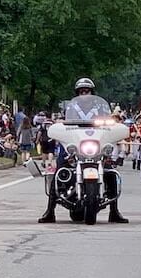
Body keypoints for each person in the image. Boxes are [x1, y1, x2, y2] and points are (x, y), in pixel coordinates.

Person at [38, 77, 128, 224]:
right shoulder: (71, 108)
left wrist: (113, 128)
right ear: (77, 93)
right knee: (59, 170)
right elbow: (63, 122)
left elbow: (109, 124)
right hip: (74, 146)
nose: (84, 93)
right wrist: (59, 126)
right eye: (81, 91)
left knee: (110, 173)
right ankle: (50, 211)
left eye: (87, 90)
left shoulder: (101, 108)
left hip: (95, 146)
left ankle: (114, 212)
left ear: (92, 92)